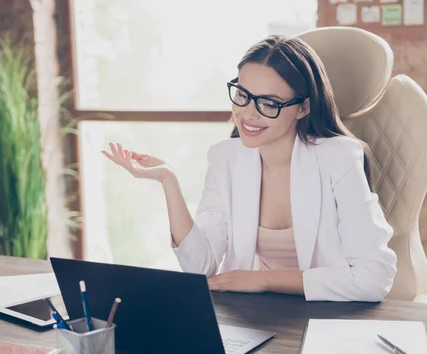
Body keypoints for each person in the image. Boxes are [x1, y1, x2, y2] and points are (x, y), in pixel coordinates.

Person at [102, 35, 397, 302]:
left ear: (303, 108)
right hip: (258, 315)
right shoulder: (224, 158)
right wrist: (168, 180)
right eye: (242, 95)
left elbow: (374, 278)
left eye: (269, 103)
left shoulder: (340, 157)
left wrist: (263, 280)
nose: (248, 114)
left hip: (328, 316)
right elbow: (200, 269)